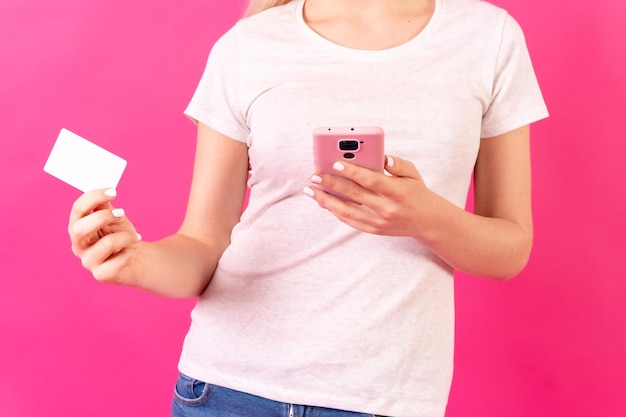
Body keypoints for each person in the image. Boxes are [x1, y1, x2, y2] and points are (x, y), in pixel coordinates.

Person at [67, 0, 548, 416]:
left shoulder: (488, 38)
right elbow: (202, 243)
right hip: (226, 391)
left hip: (386, 400)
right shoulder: (248, 45)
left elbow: (510, 249)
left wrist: (426, 219)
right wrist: (136, 262)